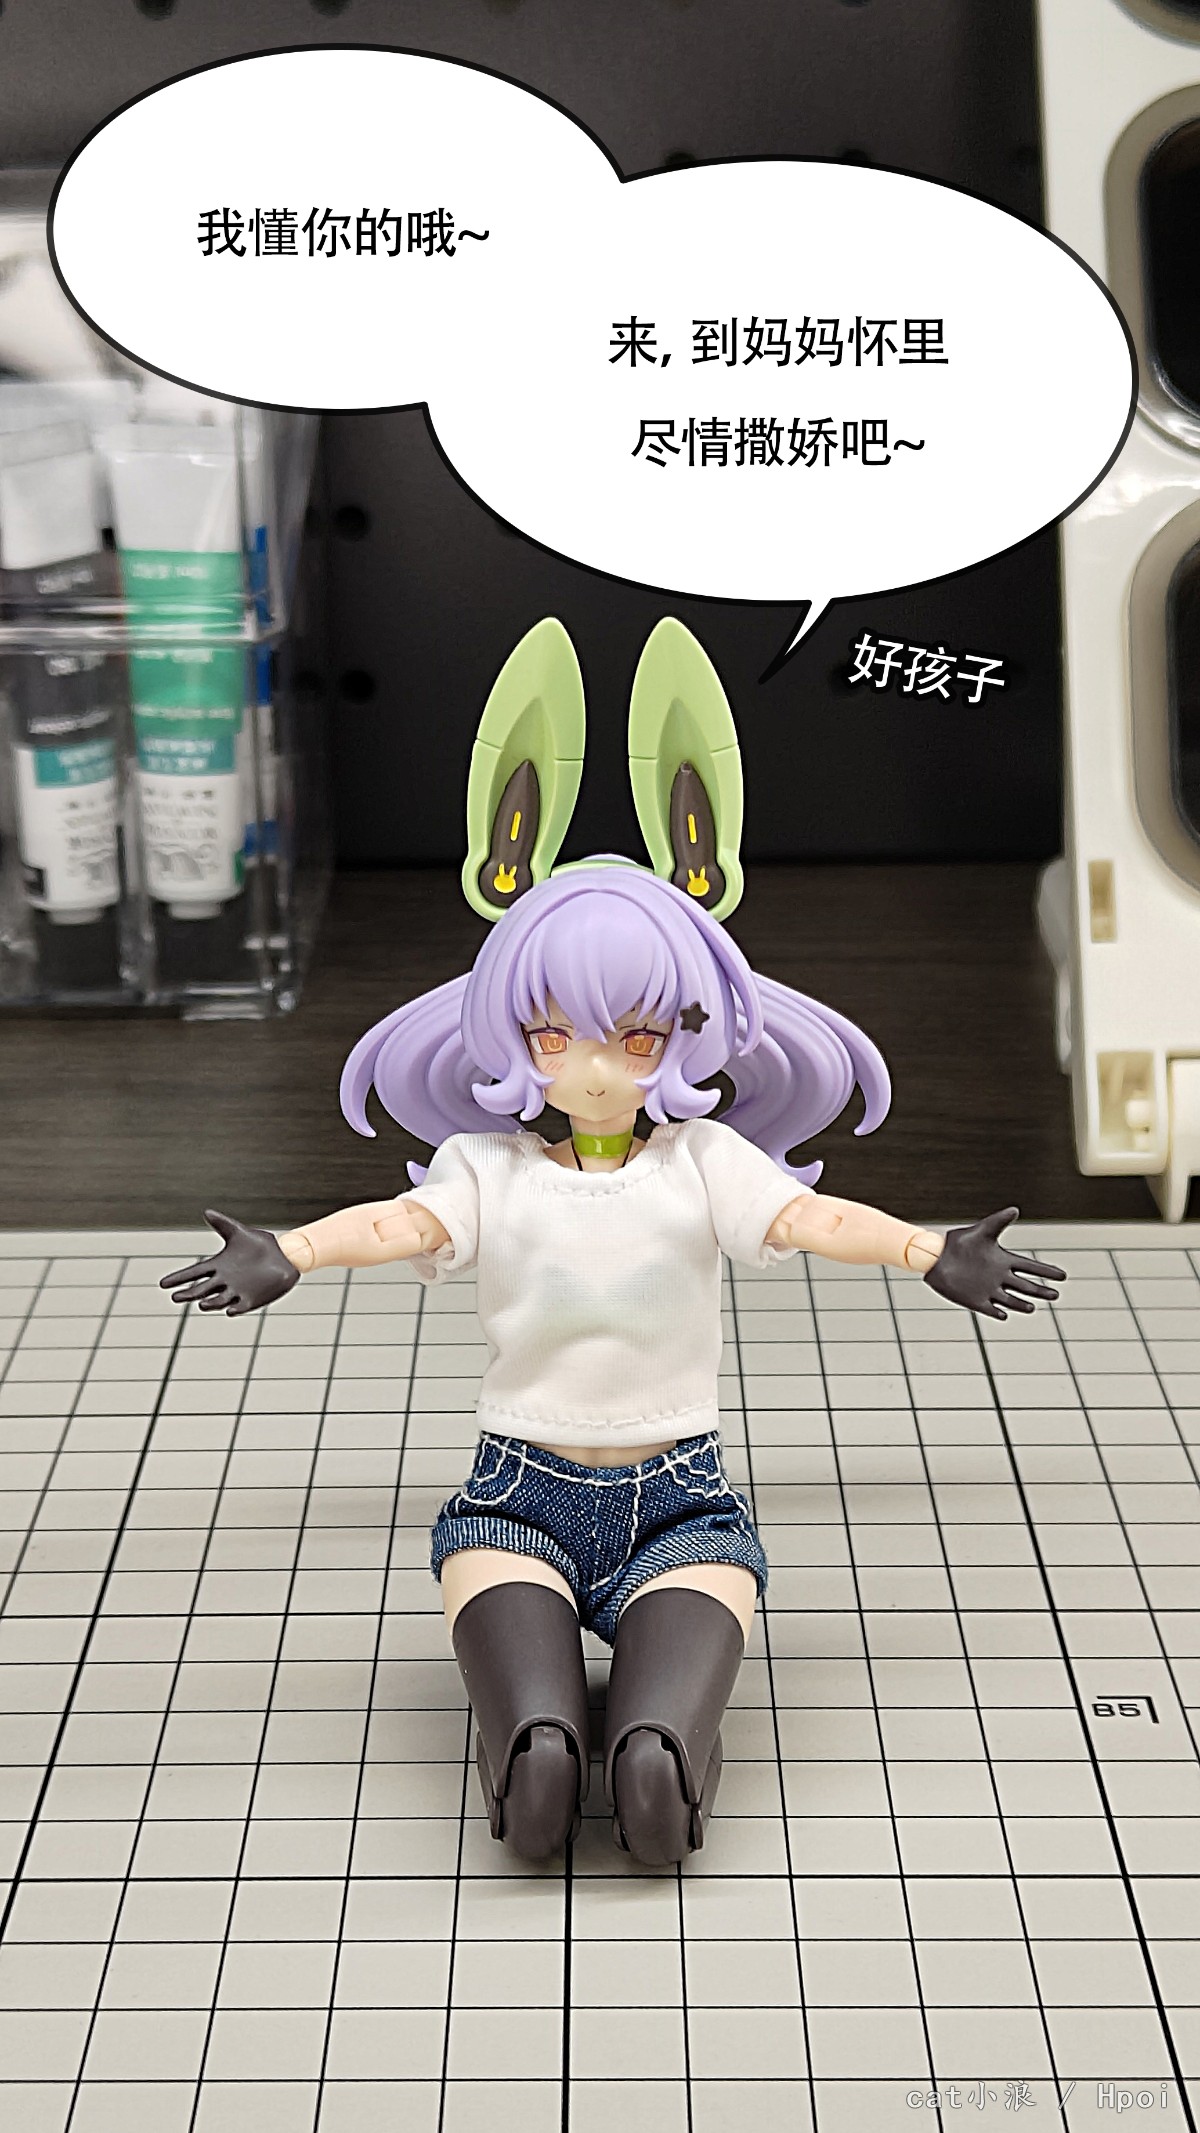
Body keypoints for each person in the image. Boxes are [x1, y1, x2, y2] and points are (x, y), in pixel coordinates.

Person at [161, 618, 1064, 1868]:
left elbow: (811, 1220)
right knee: (539, 1752)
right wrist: (293, 1252)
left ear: (684, 1037)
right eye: (555, 1034)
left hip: (682, 1507)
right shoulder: (488, 1169)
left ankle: (659, 1756)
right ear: (508, 1034)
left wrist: (928, 1251)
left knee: (653, 1761)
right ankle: (534, 1754)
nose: (593, 1067)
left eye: (637, 1038)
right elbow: (399, 1223)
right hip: (514, 1503)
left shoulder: (705, 1161)